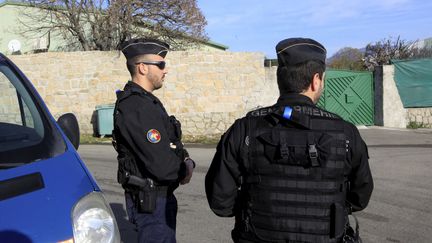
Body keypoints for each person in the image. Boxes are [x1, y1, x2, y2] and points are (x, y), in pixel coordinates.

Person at [205, 37, 373, 243]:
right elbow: (360, 197)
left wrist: (256, 207)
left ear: (280, 81)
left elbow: (220, 201)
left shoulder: (244, 128)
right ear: (316, 80)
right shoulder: (346, 133)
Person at [112, 38, 196, 243]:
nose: (165, 70)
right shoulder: (136, 106)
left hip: (159, 200)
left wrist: (184, 158)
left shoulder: (146, 102)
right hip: (150, 203)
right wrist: (185, 168)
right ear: (142, 68)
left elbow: (170, 142)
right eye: (160, 64)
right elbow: (161, 165)